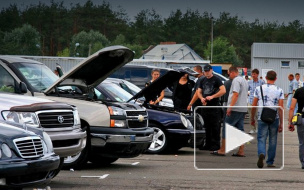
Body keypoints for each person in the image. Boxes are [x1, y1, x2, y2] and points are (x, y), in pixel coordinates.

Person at [211, 66, 248, 156]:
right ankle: (241, 150)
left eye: (229, 73)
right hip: (242, 108)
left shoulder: (235, 81)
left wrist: (230, 107)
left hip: (235, 108)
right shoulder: (244, 81)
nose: (229, 76)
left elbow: (235, 94)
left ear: (232, 72)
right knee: (240, 129)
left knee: (226, 128)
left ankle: (223, 149)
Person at [251, 70, 284, 168]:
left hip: (262, 116)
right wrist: (281, 123)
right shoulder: (279, 90)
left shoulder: (258, 88)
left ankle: (261, 153)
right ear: (276, 78)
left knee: (261, 138)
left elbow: (254, 105)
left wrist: (252, 118)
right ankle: (270, 162)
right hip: (274, 117)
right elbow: (281, 108)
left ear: (266, 78)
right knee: (273, 140)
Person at [197, 64, 226, 151]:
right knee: (206, 126)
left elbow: (223, 90)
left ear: (211, 70)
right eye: (205, 71)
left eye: (208, 71)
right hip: (205, 106)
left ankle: (216, 144)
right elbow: (198, 91)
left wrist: (213, 96)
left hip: (214, 106)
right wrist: (202, 98)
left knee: (215, 126)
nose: (207, 73)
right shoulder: (202, 80)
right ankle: (207, 143)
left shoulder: (217, 79)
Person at [288, 85, 304, 169]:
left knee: (302, 142)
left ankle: (303, 162)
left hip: (301, 119)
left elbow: (291, 108)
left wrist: (290, 122)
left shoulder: (299, 91)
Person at [247, 69, 265, 134]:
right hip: (251, 100)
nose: (253, 75)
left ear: (257, 74)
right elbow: (247, 90)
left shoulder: (262, 82)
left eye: (254, 74)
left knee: (258, 115)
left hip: (258, 101)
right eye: (252, 74)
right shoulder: (249, 82)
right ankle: (252, 128)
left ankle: (258, 128)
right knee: (251, 115)